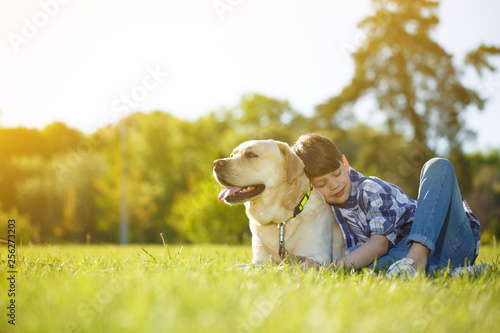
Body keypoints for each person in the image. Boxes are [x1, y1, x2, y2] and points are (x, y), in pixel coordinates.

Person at [291, 133, 483, 277]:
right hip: (401, 257)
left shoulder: (369, 189)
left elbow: (380, 244)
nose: (335, 185)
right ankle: (447, 273)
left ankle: (418, 258)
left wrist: (332, 270)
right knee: (351, 255)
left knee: (437, 165)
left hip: (447, 241)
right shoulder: (329, 210)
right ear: (311, 187)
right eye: (322, 184)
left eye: (336, 174)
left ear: (345, 163)